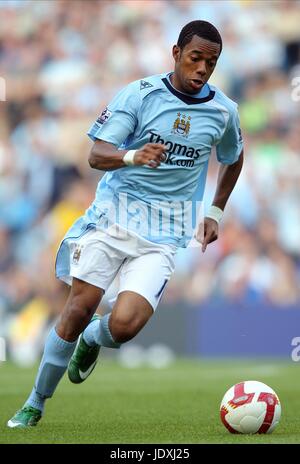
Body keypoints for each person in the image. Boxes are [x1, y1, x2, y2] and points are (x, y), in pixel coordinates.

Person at [7, 20, 243, 428]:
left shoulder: (223, 111)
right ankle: (35, 402)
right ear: (175, 53)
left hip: (166, 233)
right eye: (195, 58)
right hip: (115, 218)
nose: (203, 69)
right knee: (79, 307)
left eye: (211, 62)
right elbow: (97, 155)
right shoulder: (139, 94)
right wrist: (134, 156)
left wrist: (215, 212)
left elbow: (233, 156)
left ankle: (93, 341)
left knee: (126, 325)